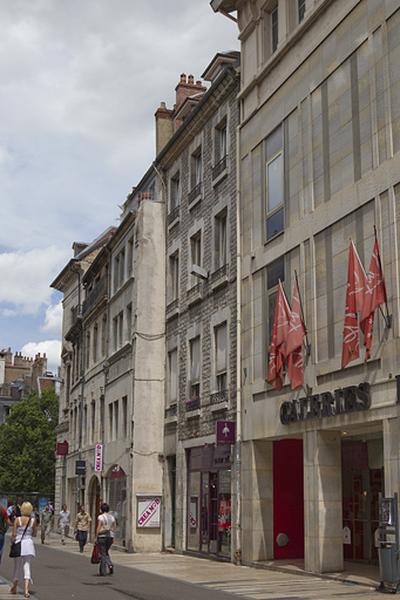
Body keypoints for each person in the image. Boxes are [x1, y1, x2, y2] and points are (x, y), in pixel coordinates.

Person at [9, 501, 37, 599]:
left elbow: (13, 534)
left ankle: (14, 587)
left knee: (17, 566)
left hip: (18, 543)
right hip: (28, 544)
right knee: (27, 566)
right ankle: (26, 590)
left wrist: (12, 542)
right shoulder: (33, 521)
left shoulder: (17, 520)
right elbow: (34, 534)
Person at [96, 502, 116, 576]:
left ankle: (103, 571)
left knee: (103, 554)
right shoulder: (112, 517)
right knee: (105, 552)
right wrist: (113, 536)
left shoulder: (101, 517)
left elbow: (99, 527)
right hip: (110, 537)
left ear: (101, 509)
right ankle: (110, 565)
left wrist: (96, 536)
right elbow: (114, 527)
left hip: (102, 537)